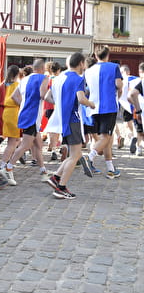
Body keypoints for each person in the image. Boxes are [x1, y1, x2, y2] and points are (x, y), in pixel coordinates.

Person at [45, 52, 95, 199]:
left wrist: (61, 104)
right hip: (73, 119)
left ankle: (56, 177)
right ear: (81, 63)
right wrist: (90, 103)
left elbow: (48, 97)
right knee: (75, 155)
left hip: (62, 119)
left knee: (75, 153)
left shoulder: (59, 78)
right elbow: (81, 98)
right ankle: (61, 187)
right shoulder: (78, 79)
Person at [2, 59, 50, 183]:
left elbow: (14, 96)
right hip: (33, 115)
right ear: (42, 68)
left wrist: (23, 104)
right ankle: (8, 167)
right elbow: (42, 94)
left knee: (38, 144)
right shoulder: (44, 78)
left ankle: (43, 171)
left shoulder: (24, 79)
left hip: (24, 113)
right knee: (26, 145)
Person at [81, 46, 123, 179]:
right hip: (108, 105)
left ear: (95, 55)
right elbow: (119, 85)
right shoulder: (113, 67)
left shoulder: (88, 70)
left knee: (106, 140)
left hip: (93, 107)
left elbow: (85, 89)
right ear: (108, 55)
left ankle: (111, 169)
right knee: (106, 137)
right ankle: (89, 157)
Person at [0, 65, 21, 181]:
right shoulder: (16, 85)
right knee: (12, 141)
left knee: (14, 140)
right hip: (13, 112)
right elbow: (18, 99)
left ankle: (4, 164)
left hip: (5, 112)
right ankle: (3, 165)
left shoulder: (3, 84)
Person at [128, 62, 144, 156]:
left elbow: (130, 96)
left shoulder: (135, 82)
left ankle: (139, 147)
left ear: (140, 71)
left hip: (138, 109)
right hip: (138, 109)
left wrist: (135, 106)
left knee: (139, 130)